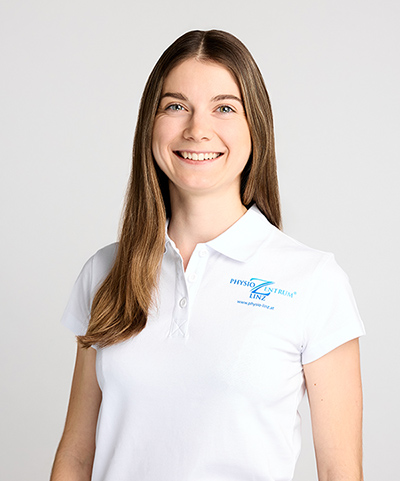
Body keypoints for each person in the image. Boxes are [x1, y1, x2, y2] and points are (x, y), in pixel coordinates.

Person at [50, 30, 365, 481]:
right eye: (176, 106)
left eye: (225, 108)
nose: (197, 130)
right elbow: (77, 457)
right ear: (150, 124)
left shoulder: (313, 281)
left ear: (256, 127)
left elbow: (339, 472)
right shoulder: (106, 271)